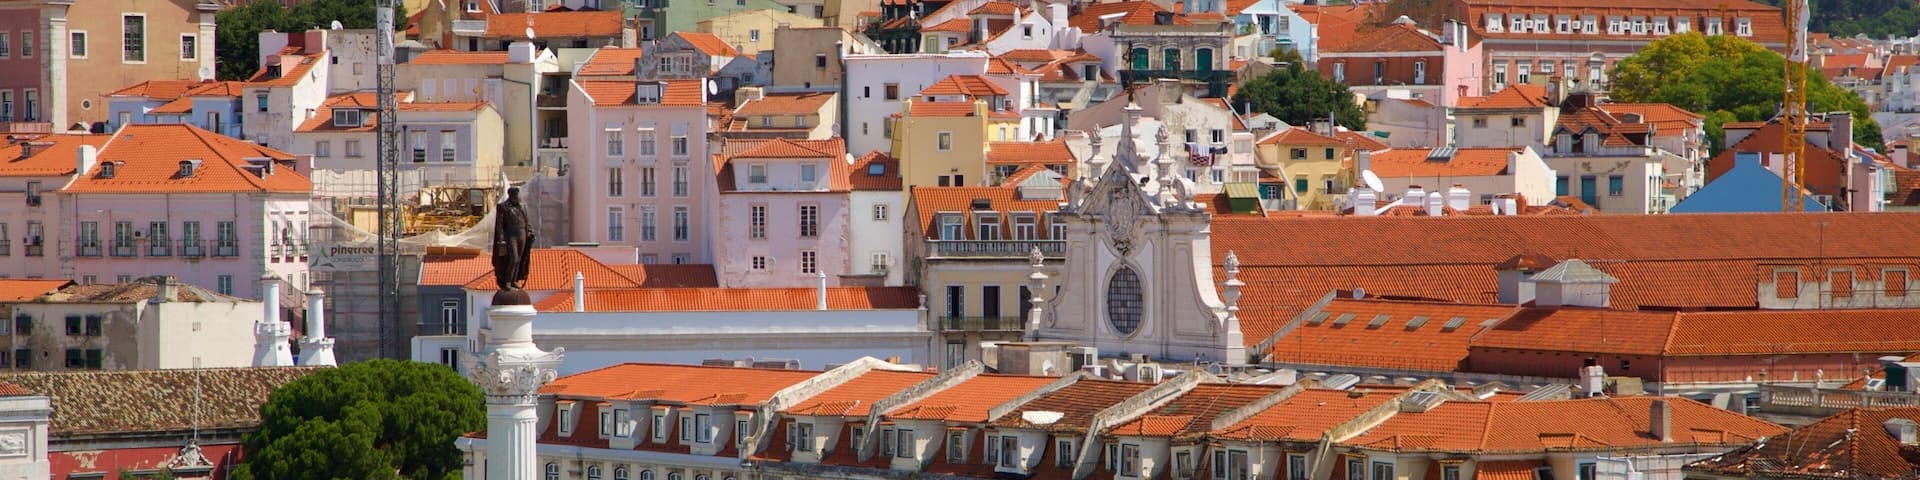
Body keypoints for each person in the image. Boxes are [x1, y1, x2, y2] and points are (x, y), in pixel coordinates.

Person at [492, 186, 536, 294]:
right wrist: (501, 239)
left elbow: (526, 221)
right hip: (510, 234)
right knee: (514, 258)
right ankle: (507, 281)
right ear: (510, 195)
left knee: (520, 259)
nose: (517, 197)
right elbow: (499, 225)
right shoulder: (503, 207)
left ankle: (514, 280)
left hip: (522, 233)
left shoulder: (522, 207)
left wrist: (530, 232)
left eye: (517, 195)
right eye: (515, 195)